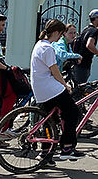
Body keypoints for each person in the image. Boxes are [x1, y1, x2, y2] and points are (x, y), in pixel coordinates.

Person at [31, 19, 84, 162]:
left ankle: (45, 153)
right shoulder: (48, 48)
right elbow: (54, 70)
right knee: (72, 112)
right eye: (60, 34)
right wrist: (65, 85)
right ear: (55, 32)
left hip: (41, 89)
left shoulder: (39, 44)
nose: (60, 37)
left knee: (50, 121)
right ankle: (67, 147)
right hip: (49, 88)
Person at [72, 9, 98, 84]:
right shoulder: (94, 31)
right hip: (84, 64)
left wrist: (97, 52)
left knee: (77, 86)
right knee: (79, 89)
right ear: (96, 18)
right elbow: (89, 45)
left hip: (78, 62)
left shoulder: (86, 29)